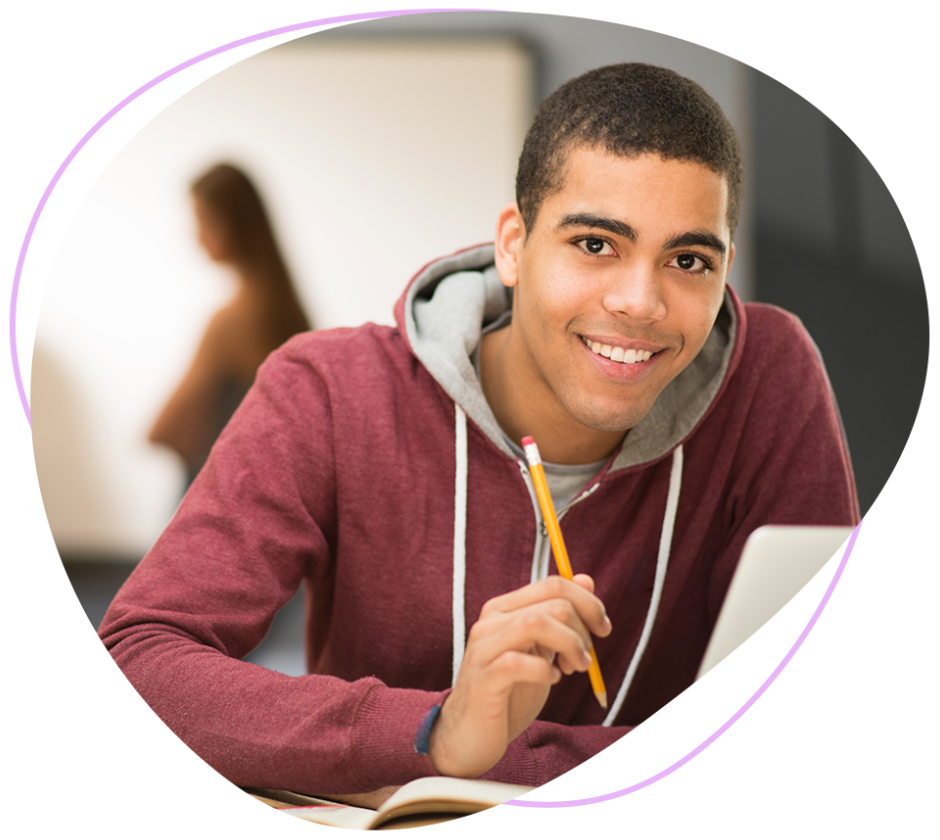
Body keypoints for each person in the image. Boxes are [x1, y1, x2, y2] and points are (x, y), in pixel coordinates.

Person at [98, 64, 859, 800]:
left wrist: (490, 770)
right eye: (595, 244)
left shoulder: (769, 377)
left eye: (688, 259)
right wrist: (434, 729)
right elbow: (143, 655)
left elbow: (826, 719)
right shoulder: (331, 389)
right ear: (512, 246)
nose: (640, 302)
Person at [149, 164, 310, 488]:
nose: (197, 236)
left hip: (217, 491)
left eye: (204, 221)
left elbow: (162, 429)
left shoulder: (233, 320)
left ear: (237, 225)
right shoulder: (293, 317)